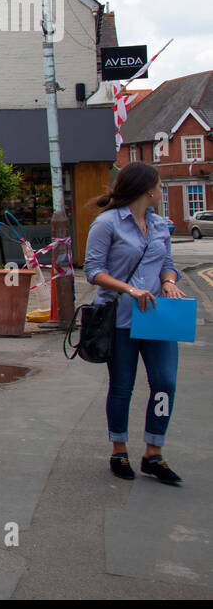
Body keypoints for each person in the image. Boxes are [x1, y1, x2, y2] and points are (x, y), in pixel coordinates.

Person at [84, 162, 187, 485]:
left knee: (164, 384)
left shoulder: (159, 225)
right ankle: (119, 450)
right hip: (120, 317)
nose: (161, 190)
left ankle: (153, 453)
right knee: (122, 386)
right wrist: (130, 288)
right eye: (159, 185)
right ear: (148, 190)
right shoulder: (107, 224)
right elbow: (93, 271)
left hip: (157, 317)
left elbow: (167, 264)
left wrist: (168, 281)